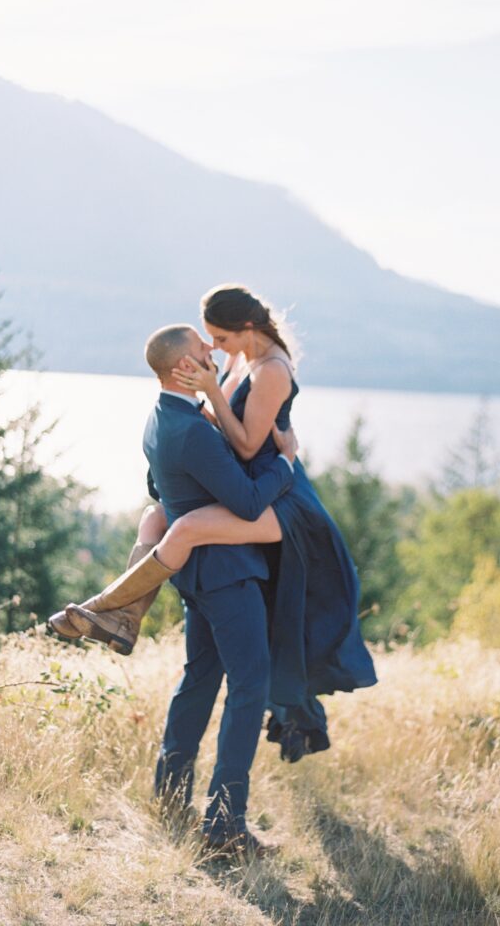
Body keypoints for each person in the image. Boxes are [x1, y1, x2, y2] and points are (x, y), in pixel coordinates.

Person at [52, 285, 376, 758]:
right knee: (157, 515)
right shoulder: (236, 358)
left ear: (246, 329)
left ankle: (108, 608)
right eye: (210, 340)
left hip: (280, 495)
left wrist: (210, 399)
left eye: (220, 339)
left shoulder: (271, 371)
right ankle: (121, 615)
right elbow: (214, 427)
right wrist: (201, 407)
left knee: (185, 528)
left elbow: (245, 444)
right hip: (252, 483)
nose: (215, 350)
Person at [59, 323, 299, 855]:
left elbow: (160, 486)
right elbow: (247, 502)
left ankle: (169, 796)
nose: (211, 353)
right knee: (249, 687)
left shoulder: (165, 417)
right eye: (201, 349)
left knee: (198, 681)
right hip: (227, 575)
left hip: (195, 576)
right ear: (181, 369)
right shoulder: (190, 428)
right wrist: (286, 462)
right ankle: (224, 826)